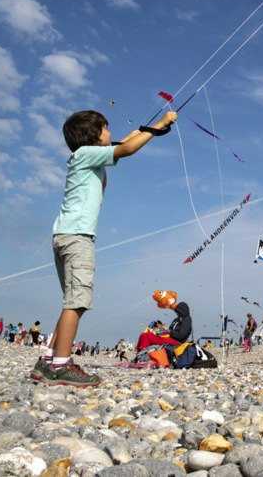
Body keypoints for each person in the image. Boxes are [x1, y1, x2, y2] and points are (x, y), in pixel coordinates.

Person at [32, 107, 177, 387]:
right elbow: (128, 148)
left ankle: (49, 359)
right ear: (94, 135)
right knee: (77, 302)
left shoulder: (85, 157)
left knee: (71, 302)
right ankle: (61, 365)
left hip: (64, 235)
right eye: (106, 128)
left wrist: (152, 130)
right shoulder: (86, 154)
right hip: (77, 237)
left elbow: (125, 141)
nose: (111, 132)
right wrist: (162, 122)